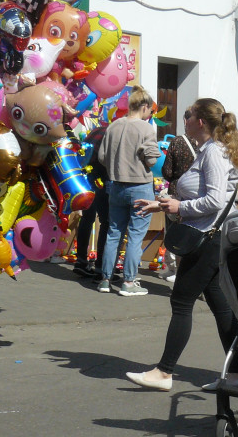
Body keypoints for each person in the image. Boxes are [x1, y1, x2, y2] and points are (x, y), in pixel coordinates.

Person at [126, 98, 238, 391]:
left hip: (207, 238)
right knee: (221, 306)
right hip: (209, 236)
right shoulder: (208, 150)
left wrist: (179, 207)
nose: (185, 119)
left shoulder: (214, 153)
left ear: (201, 122)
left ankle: (165, 372)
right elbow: (201, 196)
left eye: (189, 115)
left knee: (181, 301)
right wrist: (160, 205)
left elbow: (216, 200)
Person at [96, 86, 162, 296]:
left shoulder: (113, 126)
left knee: (114, 232)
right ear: (144, 107)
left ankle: (105, 279)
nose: (150, 114)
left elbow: (102, 157)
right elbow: (152, 160)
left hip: (115, 185)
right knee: (135, 235)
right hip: (139, 187)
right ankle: (129, 282)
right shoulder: (145, 129)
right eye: (150, 110)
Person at [161, 115, 200, 282]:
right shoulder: (207, 144)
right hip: (198, 193)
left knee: (175, 232)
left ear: (185, 120)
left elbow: (167, 172)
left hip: (177, 192)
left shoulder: (177, 142)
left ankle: (176, 270)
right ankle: (189, 273)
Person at [72, 120, 110, 279]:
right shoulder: (111, 133)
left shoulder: (99, 130)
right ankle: (101, 266)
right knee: (106, 221)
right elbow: (105, 158)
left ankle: (81, 260)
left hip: (85, 176)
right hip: (100, 178)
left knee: (87, 218)